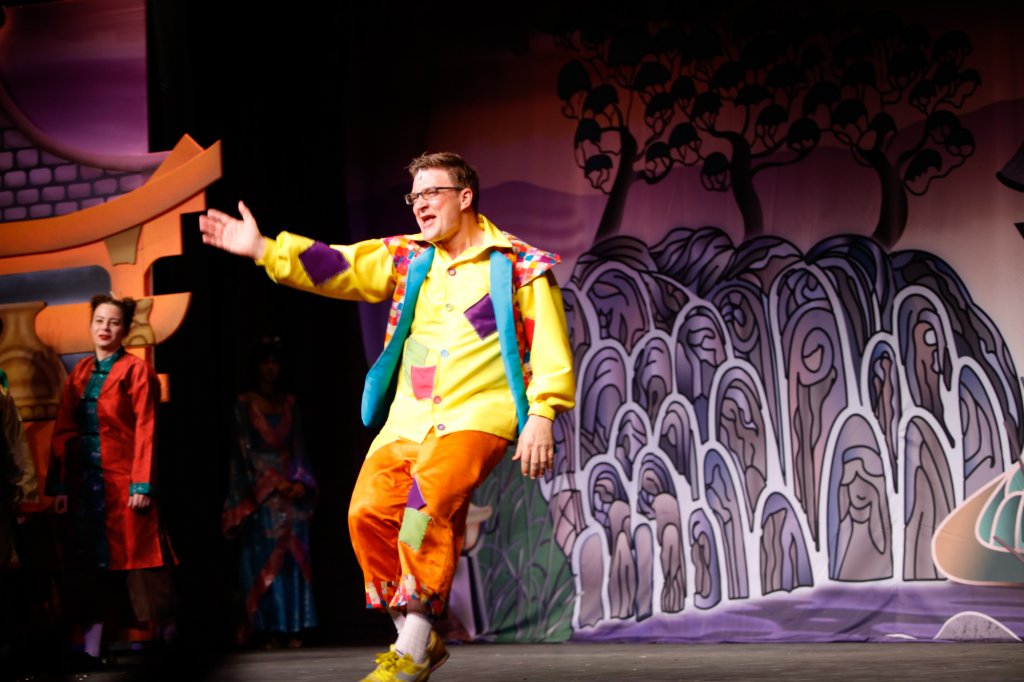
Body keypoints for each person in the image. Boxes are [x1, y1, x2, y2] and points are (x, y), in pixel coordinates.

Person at [200, 152, 575, 681]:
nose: (420, 205)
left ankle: (412, 648)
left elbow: (551, 347)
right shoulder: (409, 257)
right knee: (367, 513)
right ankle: (416, 636)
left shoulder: (519, 265)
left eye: (432, 193)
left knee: (427, 503)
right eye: (414, 196)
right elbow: (340, 265)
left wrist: (543, 413)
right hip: (409, 418)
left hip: (476, 414)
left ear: (465, 197)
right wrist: (266, 249)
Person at [46, 294, 176, 665]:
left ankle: (170, 642)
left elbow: (147, 428)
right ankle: (91, 650)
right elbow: (64, 430)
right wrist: (60, 487)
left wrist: (142, 484)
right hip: (87, 488)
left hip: (124, 483)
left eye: (114, 322)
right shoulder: (80, 373)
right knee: (89, 569)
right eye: (100, 321)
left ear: (125, 329)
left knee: (143, 564)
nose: (105, 328)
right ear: (91, 325)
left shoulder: (136, 371)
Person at [222, 338, 318, 648]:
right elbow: (242, 454)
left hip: (291, 491)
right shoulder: (243, 405)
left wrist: (300, 482)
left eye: (275, 362)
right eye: (265, 362)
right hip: (259, 494)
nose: (270, 368)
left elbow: (299, 446)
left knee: (295, 557)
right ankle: (267, 629)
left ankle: (294, 626)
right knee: (263, 559)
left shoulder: (289, 403)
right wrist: (271, 483)